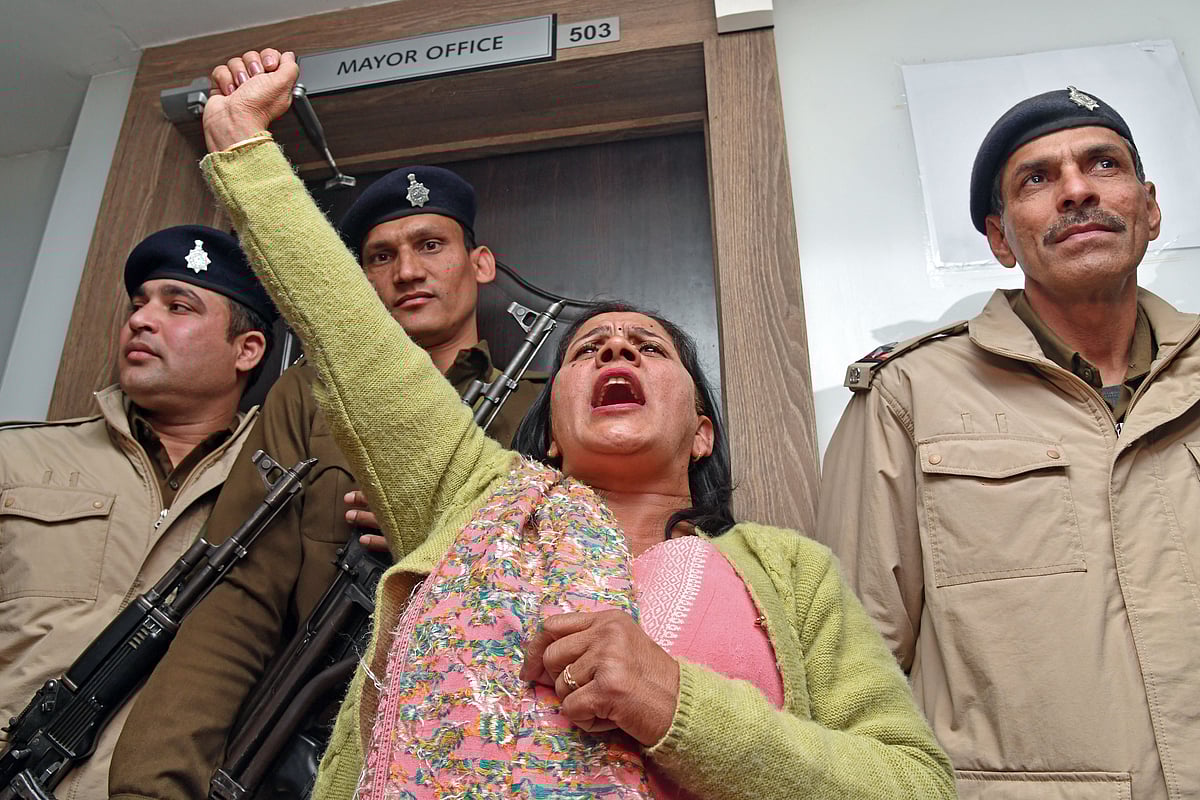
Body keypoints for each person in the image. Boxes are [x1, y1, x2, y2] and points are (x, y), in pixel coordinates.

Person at [177, 47, 956, 800]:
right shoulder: (474, 503)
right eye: (588, 350)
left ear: (701, 432)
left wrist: (676, 703)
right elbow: (354, 338)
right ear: (550, 430)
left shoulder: (790, 573)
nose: (617, 345)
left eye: (650, 346)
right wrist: (247, 151)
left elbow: (915, 784)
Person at [109, 82, 544, 800]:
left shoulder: (547, 403)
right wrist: (153, 787)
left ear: (481, 264)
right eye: (378, 257)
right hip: (298, 740)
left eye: (430, 245)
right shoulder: (306, 400)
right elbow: (239, 595)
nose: (406, 271)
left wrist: (445, 530)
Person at [819, 85, 1200, 799]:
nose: (1076, 190)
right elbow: (851, 670)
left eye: (1103, 165)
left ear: (1149, 210)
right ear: (1000, 239)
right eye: (1038, 178)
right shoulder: (908, 397)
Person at [0, 225, 273, 800]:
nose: (141, 321)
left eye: (178, 307)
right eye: (138, 305)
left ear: (246, 350)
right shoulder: (15, 459)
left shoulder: (280, 493)